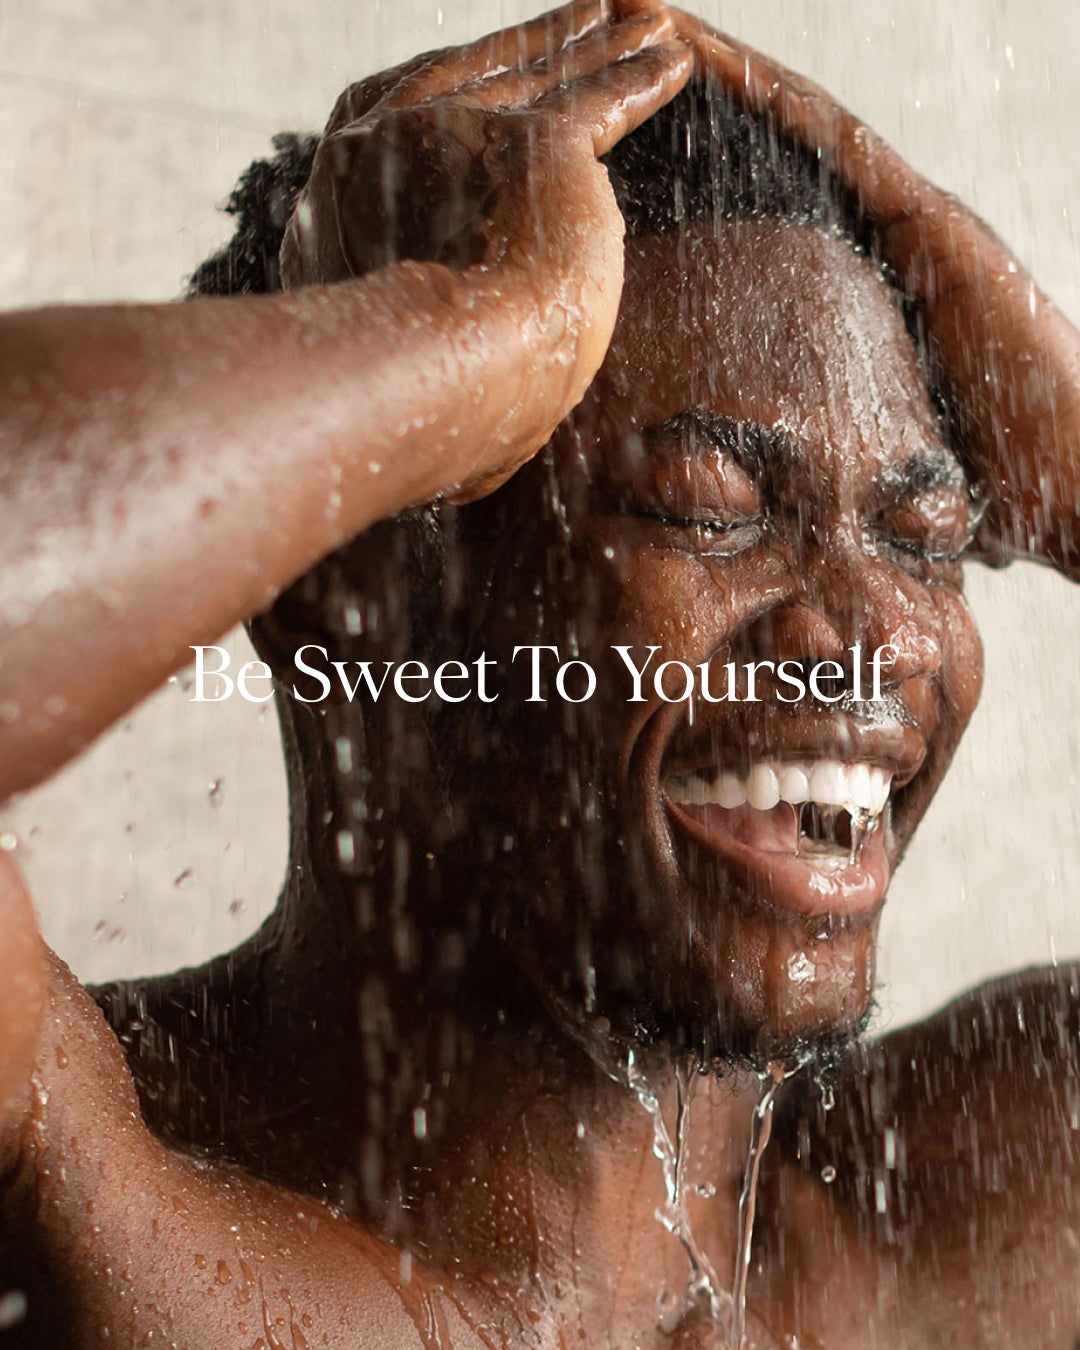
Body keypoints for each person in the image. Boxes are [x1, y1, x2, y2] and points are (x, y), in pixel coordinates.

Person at [2, 2, 1079, 1344]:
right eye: (705, 506)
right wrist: (478, 326)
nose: (881, 632)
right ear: (346, 596)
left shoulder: (982, 1214)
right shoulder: (67, 1185)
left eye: (925, 541)